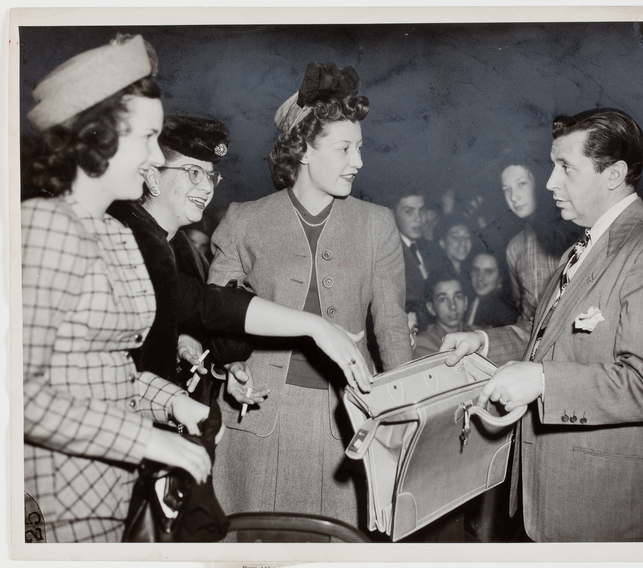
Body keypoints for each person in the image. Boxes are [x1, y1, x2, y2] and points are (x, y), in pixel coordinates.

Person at [441, 108, 643, 542]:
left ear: (614, 174)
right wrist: (482, 342)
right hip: (551, 495)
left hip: (603, 506)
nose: (550, 182)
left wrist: (543, 381)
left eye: (565, 167)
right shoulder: (578, 250)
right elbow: (543, 338)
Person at [21, 34, 212, 542]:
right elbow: (18, 394)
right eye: (147, 138)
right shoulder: (45, 225)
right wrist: (147, 440)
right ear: (97, 136)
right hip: (53, 505)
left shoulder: (115, 232)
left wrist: (172, 402)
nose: (154, 158)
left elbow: (107, 372)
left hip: (107, 494)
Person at [207, 63, 412, 530]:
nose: (358, 161)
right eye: (344, 148)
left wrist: (403, 412)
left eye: (359, 147)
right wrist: (230, 368)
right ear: (302, 149)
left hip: (348, 421)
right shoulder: (244, 220)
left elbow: (392, 328)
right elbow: (217, 318)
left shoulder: (376, 224)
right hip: (258, 418)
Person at [108, 115, 371, 408]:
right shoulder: (124, 236)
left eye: (211, 176)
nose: (207, 188)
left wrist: (190, 343)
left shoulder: (187, 255)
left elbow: (187, 309)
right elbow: (207, 303)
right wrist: (316, 326)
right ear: (152, 176)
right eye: (193, 172)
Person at [501, 157, 579, 322]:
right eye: (506, 189)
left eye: (522, 184)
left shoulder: (572, 232)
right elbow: (521, 304)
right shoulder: (514, 247)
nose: (513, 197)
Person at [414, 271, 470, 358]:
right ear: (431, 307)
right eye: (443, 299)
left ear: (465, 302)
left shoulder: (480, 335)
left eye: (458, 297)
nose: (452, 306)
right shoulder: (421, 345)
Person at [392, 188, 431, 305]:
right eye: (408, 212)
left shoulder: (428, 247)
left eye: (422, 211)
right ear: (392, 215)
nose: (418, 219)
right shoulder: (390, 254)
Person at [466, 252, 518, 328]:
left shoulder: (503, 312)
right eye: (476, 270)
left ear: (500, 277)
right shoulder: (472, 301)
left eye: (488, 272)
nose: (480, 278)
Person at [432, 213, 475, 297]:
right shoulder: (438, 276)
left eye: (467, 237)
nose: (463, 242)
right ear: (442, 243)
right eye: (455, 237)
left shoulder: (470, 272)